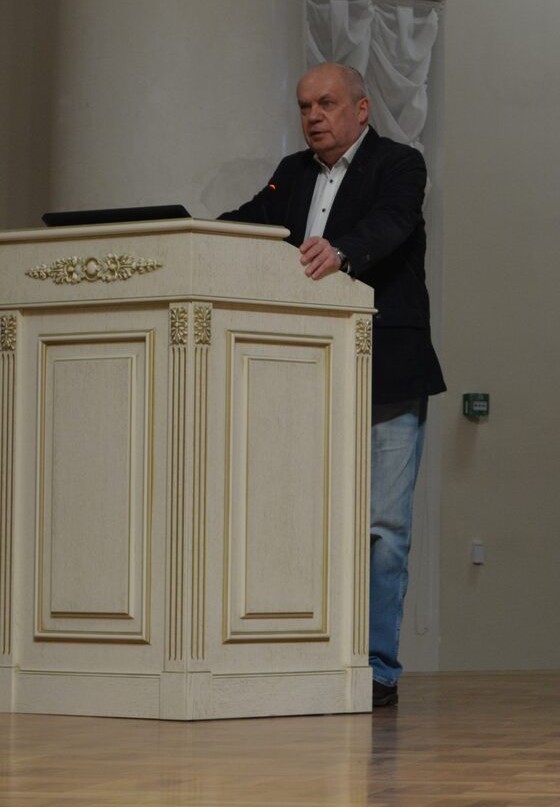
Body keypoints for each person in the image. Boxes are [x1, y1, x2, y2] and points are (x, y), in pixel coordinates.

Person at [221, 61, 446, 709]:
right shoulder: (292, 174)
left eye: (326, 103)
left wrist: (341, 250)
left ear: (361, 109)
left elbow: (390, 225)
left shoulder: (399, 164)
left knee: (382, 528)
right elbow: (250, 221)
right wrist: (187, 237)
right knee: (298, 519)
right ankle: (303, 658)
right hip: (302, 379)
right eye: (304, 106)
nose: (313, 116)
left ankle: (377, 670)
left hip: (387, 374)